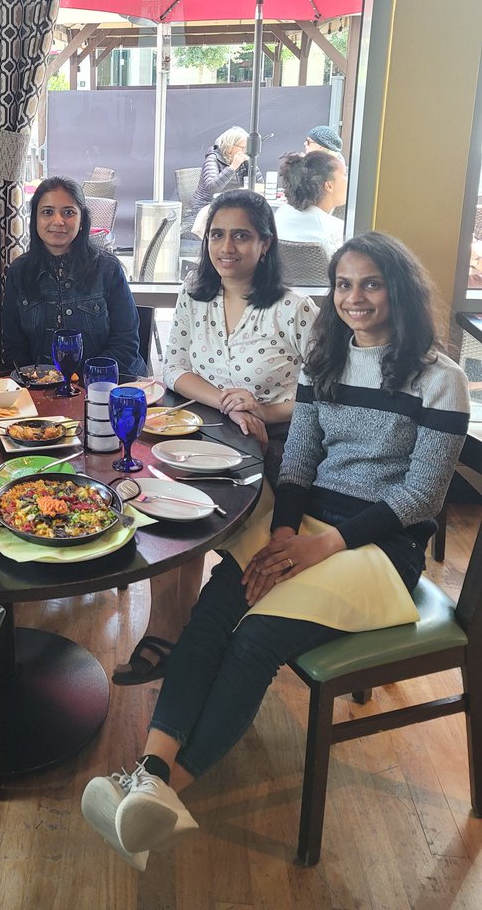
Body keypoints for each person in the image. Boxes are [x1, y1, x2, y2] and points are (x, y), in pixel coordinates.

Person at [83, 232, 469, 870]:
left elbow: (421, 499)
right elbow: (298, 463)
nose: (354, 298)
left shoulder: (440, 377)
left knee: (256, 637)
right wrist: (286, 531)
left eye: (371, 283)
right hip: (309, 525)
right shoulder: (328, 360)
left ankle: (162, 794)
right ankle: (148, 774)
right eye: (344, 284)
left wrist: (319, 546)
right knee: (212, 612)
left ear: (398, 289)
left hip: (380, 549)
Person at [113, 189, 317, 686]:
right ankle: (173, 628)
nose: (227, 247)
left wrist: (262, 410)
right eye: (217, 235)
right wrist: (227, 398)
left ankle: (186, 634)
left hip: (276, 449)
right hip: (194, 436)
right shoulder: (194, 294)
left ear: (265, 244)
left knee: (191, 511)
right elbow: (174, 367)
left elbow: (323, 394)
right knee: (161, 505)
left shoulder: (294, 308)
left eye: (241, 235)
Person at [2, 177, 146, 377]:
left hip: (108, 386)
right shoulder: (19, 272)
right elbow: (13, 347)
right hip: (42, 389)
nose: (58, 221)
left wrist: (82, 382)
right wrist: (39, 382)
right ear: (35, 219)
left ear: (81, 221)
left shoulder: (108, 268)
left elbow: (126, 343)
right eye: (47, 212)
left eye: (68, 212)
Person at [274, 149, 347, 258]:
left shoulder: (280, 215)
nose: (348, 180)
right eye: (345, 174)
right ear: (329, 185)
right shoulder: (337, 231)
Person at [190, 127, 263, 214]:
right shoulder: (213, 159)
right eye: (243, 148)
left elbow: (259, 184)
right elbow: (213, 187)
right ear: (230, 147)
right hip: (206, 208)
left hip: (230, 206)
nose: (245, 151)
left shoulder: (243, 161)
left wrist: (251, 163)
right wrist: (233, 167)